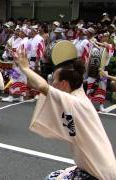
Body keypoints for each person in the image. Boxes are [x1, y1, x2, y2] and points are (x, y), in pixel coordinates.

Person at [13, 41, 116, 179]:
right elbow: (39, 86)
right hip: (94, 167)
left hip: (100, 173)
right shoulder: (77, 93)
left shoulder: (75, 102)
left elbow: (43, 87)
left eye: (54, 80)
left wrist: (25, 68)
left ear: (64, 83)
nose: (52, 83)